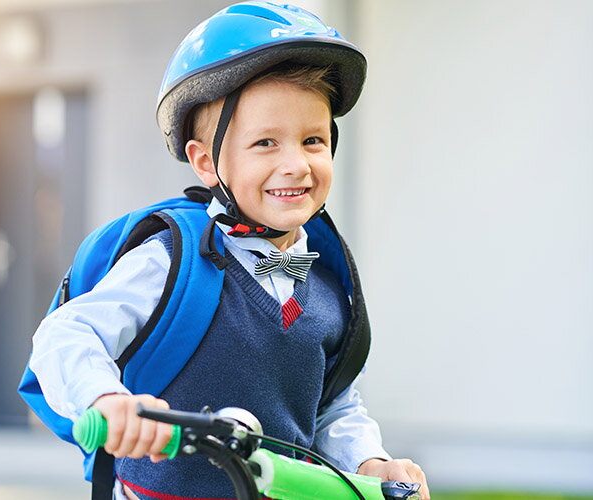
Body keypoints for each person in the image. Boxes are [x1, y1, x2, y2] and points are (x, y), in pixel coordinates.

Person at [28, 2, 430, 499]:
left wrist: (372, 463)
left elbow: (333, 405)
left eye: (312, 140)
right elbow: (68, 333)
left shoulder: (325, 283)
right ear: (205, 162)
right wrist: (106, 399)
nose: (296, 165)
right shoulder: (173, 264)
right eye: (265, 142)